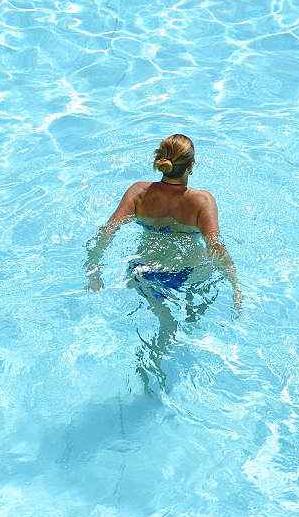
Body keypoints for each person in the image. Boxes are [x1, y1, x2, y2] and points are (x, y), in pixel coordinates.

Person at [84, 134, 242, 390]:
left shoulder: (139, 192)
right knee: (192, 318)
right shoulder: (202, 201)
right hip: (191, 269)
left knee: (165, 322)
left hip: (146, 271)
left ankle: (149, 365)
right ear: (191, 166)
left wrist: (94, 270)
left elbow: (107, 231)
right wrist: (236, 285)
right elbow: (215, 246)